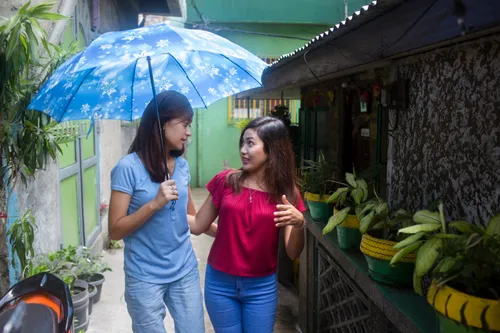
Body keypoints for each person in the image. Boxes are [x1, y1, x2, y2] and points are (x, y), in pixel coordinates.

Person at [108, 90, 215, 333]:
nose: (188, 132)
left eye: (190, 125)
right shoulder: (128, 168)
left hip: (184, 269)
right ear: (162, 123)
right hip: (144, 276)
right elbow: (115, 230)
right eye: (184, 124)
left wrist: (230, 234)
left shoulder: (182, 166)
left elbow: (192, 220)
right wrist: (154, 204)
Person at [188, 116, 307, 333]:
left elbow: (292, 251)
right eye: (242, 143)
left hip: (261, 288)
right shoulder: (226, 181)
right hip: (219, 284)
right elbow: (197, 225)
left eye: (250, 143)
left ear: (272, 149)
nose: (243, 150)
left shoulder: (287, 193)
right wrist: (166, 204)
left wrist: (299, 224)